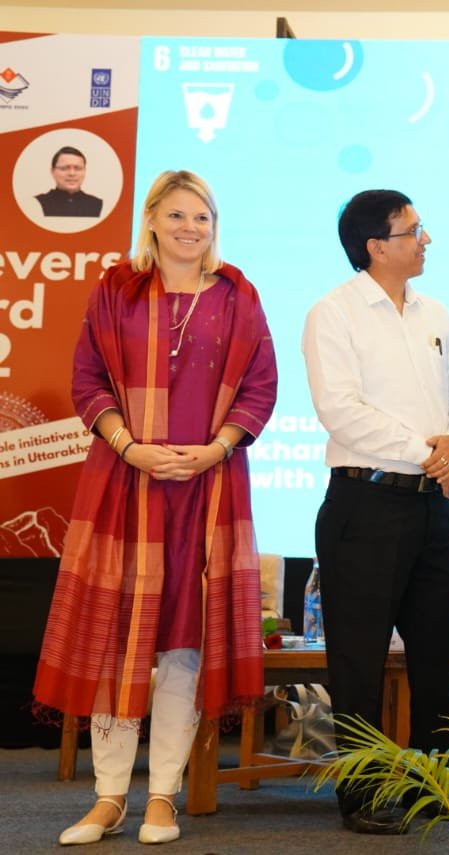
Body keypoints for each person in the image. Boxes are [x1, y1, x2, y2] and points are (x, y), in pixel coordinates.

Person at [33, 169, 277, 846]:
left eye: (202, 217)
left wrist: (215, 450)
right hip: (124, 484)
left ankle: (162, 796)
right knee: (117, 642)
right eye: (176, 215)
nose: (189, 228)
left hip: (208, 489)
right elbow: (86, 379)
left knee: (182, 643)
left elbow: (261, 385)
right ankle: (109, 797)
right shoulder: (117, 288)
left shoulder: (237, 294)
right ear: (151, 221)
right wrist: (130, 446)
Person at [302, 189, 449, 835]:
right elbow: (340, 410)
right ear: (376, 246)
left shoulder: (435, 313)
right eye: (413, 230)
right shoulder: (334, 313)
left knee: (436, 657)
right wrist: (425, 452)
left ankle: (430, 786)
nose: (425, 240)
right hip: (365, 502)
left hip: (436, 506)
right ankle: (363, 791)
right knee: (359, 659)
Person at [36, 146, 104, 217]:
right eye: (64, 168)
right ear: (52, 171)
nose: (72, 173)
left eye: (78, 168)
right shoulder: (37, 203)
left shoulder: (98, 205)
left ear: (84, 171)